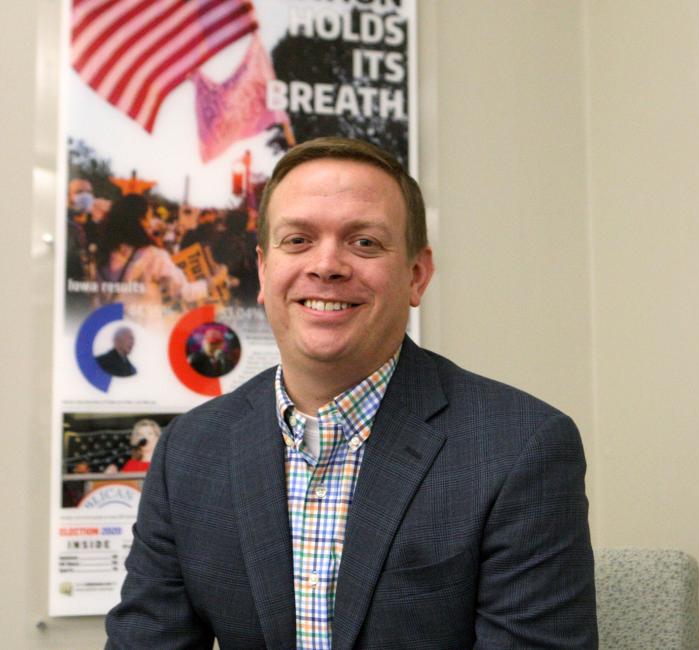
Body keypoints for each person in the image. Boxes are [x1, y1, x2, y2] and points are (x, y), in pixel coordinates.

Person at [105, 138, 597, 649]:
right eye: (297, 240)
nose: (326, 265)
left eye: (364, 242)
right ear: (263, 270)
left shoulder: (520, 448)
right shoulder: (190, 450)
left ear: (416, 275)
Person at [95, 194, 226, 324]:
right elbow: (184, 292)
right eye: (149, 217)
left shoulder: (103, 252)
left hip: (111, 328)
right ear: (141, 221)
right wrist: (215, 281)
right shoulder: (153, 256)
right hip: (144, 332)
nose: (151, 224)